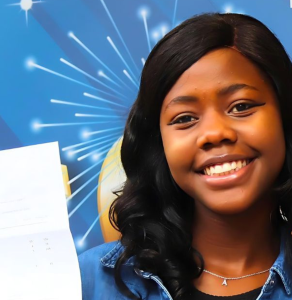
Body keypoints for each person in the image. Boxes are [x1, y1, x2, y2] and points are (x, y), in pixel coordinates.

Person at [78, 12, 292, 300]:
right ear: (159, 145)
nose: (215, 133)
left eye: (241, 106)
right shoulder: (86, 281)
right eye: (185, 118)